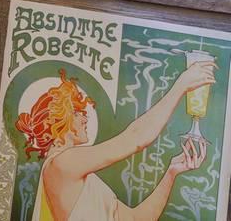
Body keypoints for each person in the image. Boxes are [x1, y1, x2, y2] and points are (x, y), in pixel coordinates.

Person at [15, 63, 215, 221]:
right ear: (58, 119)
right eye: (78, 112)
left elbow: (137, 219)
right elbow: (136, 138)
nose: (85, 118)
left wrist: (172, 172)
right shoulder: (62, 164)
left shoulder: (81, 176)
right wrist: (180, 86)